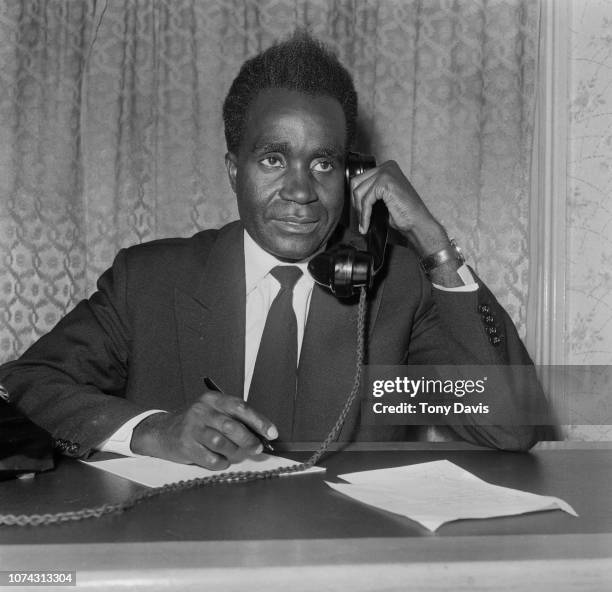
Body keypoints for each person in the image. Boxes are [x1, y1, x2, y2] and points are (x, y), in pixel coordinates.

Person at [0, 32, 547, 470]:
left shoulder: (394, 286)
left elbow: (511, 426)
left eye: (324, 163)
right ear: (234, 170)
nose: (301, 190)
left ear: (353, 172)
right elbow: (25, 382)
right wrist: (152, 430)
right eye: (273, 159)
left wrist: (431, 239)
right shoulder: (148, 280)